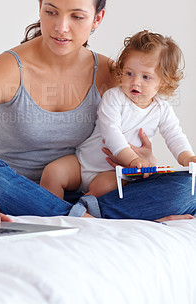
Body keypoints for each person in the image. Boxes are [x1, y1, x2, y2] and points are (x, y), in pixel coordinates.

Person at [0, 0, 195, 223]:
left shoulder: (110, 73)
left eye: (77, 16)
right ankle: (84, 219)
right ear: (40, 9)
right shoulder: (7, 69)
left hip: (89, 192)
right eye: (51, 12)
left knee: (188, 188)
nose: (61, 27)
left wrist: (144, 160)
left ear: (97, 19)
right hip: (16, 191)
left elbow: (138, 133)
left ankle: (76, 215)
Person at [40, 30, 196, 198]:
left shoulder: (162, 109)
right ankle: (53, 212)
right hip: (82, 162)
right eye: (129, 73)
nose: (135, 81)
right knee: (52, 172)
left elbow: (175, 135)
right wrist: (132, 160)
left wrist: (188, 158)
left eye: (146, 77)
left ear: (163, 82)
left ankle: (81, 208)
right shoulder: (114, 97)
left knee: (106, 189)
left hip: (112, 171)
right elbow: (111, 133)